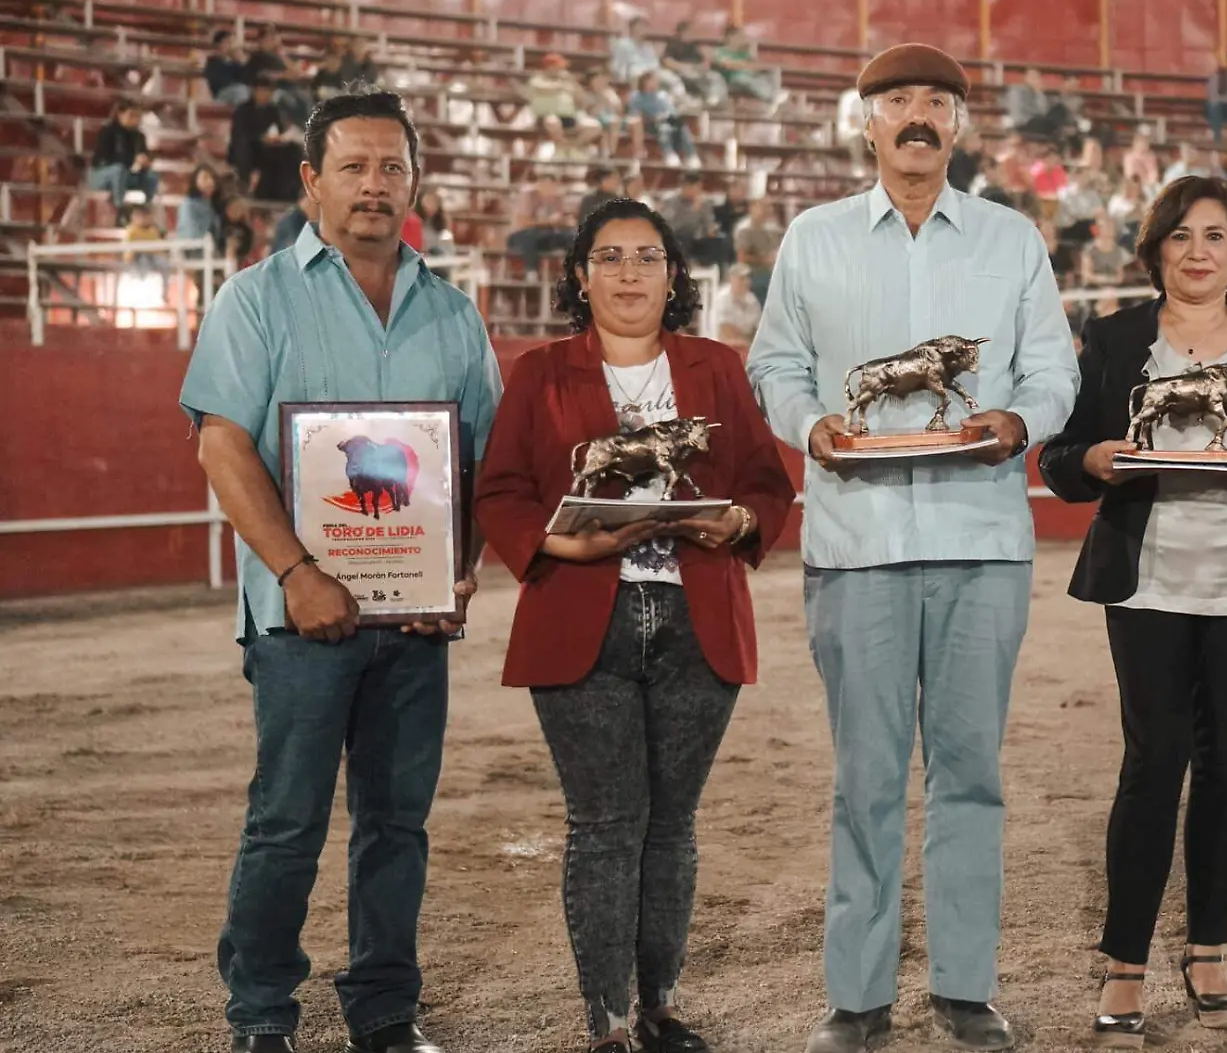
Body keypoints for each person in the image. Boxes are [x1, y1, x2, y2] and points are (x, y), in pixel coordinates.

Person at [746, 43, 1079, 1053]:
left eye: (937, 101)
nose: (918, 116)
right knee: (867, 775)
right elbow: (776, 364)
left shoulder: (1010, 238)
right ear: (868, 122)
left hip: (981, 533)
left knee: (972, 769)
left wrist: (1018, 423)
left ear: (959, 126)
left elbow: (1052, 368)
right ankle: (856, 996)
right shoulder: (814, 237)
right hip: (856, 540)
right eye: (898, 101)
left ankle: (964, 987)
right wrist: (813, 430)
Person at [178, 88, 500, 1053]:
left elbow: (481, 463)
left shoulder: (453, 312)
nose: (374, 186)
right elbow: (223, 448)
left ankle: (385, 1009)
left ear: (414, 181)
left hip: (414, 622)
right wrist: (294, 570)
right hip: (301, 619)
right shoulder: (255, 296)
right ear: (312, 182)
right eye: (353, 168)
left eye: (391, 167)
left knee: (397, 824)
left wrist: (459, 574)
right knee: (287, 820)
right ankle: (262, 1012)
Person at [472, 197, 795, 1053]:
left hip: (698, 616)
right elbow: (499, 491)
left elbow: (767, 481)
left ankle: (658, 1005)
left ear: (673, 276)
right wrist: (561, 547)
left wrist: (742, 526)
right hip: (584, 615)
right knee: (607, 824)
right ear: (580, 276)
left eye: (646, 257)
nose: (628, 274)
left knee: (672, 825)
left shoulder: (717, 367)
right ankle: (607, 1022)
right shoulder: (540, 372)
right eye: (609, 258)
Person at [1036, 174, 1227, 1049]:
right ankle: (1126, 960)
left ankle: (1208, 950)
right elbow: (1059, 456)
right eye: (1180, 236)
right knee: (1153, 763)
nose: (1198, 252)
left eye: (1216, 236)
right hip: (1149, 579)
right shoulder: (1118, 335)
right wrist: (1095, 460)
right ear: (1155, 249)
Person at [88, 100, 161, 215]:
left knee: (151, 176)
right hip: (103, 174)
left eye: (138, 116)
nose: (135, 119)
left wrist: (146, 162)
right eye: (131, 115)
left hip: (127, 175)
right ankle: (119, 209)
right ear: (120, 114)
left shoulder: (139, 136)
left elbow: (143, 157)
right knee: (118, 169)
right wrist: (132, 159)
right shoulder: (107, 131)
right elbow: (102, 159)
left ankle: (146, 209)